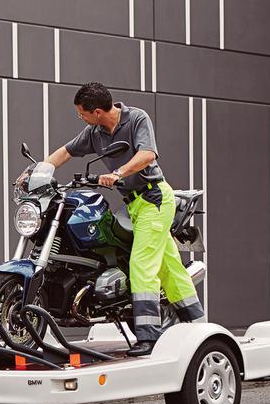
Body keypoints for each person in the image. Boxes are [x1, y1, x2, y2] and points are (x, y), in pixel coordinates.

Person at [41, 82, 204, 356]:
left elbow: (147, 154)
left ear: (96, 111)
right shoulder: (94, 132)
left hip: (154, 198)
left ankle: (149, 336)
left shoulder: (137, 118)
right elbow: (65, 152)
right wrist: (37, 171)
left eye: (82, 113)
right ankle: (197, 324)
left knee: (142, 265)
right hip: (133, 205)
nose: (80, 118)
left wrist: (118, 173)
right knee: (169, 268)